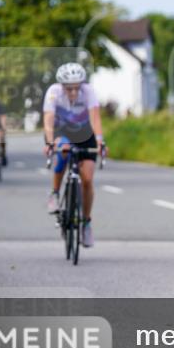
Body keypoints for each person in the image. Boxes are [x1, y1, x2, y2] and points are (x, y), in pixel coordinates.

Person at [42, 63, 105, 248]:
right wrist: (49, 141)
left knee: (87, 179)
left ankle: (86, 222)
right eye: (69, 88)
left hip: (85, 133)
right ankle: (54, 193)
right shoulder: (53, 92)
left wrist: (100, 141)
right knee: (62, 151)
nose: (73, 92)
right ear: (62, 86)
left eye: (77, 87)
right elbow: (48, 119)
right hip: (62, 131)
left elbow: (95, 118)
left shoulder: (88, 91)